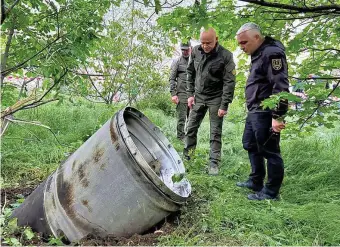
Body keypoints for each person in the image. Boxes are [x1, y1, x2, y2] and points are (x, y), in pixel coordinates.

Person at [235, 23, 289, 200]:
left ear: (257, 37)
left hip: (266, 111)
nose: (242, 47)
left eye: (244, 42)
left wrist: (277, 116)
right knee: (250, 143)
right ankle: (256, 180)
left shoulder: (272, 53)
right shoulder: (258, 52)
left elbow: (280, 86)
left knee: (270, 150)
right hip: (255, 109)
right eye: (239, 44)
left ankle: (271, 193)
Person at [184, 27, 236, 175]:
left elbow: (229, 82)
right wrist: (190, 94)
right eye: (203, 42)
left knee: (215, 132)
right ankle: (188, 157)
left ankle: (213, 163)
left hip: (216, 98)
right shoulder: (195, 51)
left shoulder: (226, 56)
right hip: (198, 96)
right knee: (191, 127)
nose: (205, 46)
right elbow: (190, 72)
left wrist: (224, 104)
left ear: (216, 40)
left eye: (209, 43)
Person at [169, 42, 192, 142]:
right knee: (182, 118)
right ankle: (180, 138)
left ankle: (190, 137)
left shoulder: (195, 61)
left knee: (192, 119)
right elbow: (172, 79)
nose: (185, 51)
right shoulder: (176, 61)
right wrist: (173, 94)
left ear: (190, 48)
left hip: (193, 95)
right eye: (183, 49)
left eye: (186, 49)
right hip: (181, 95)